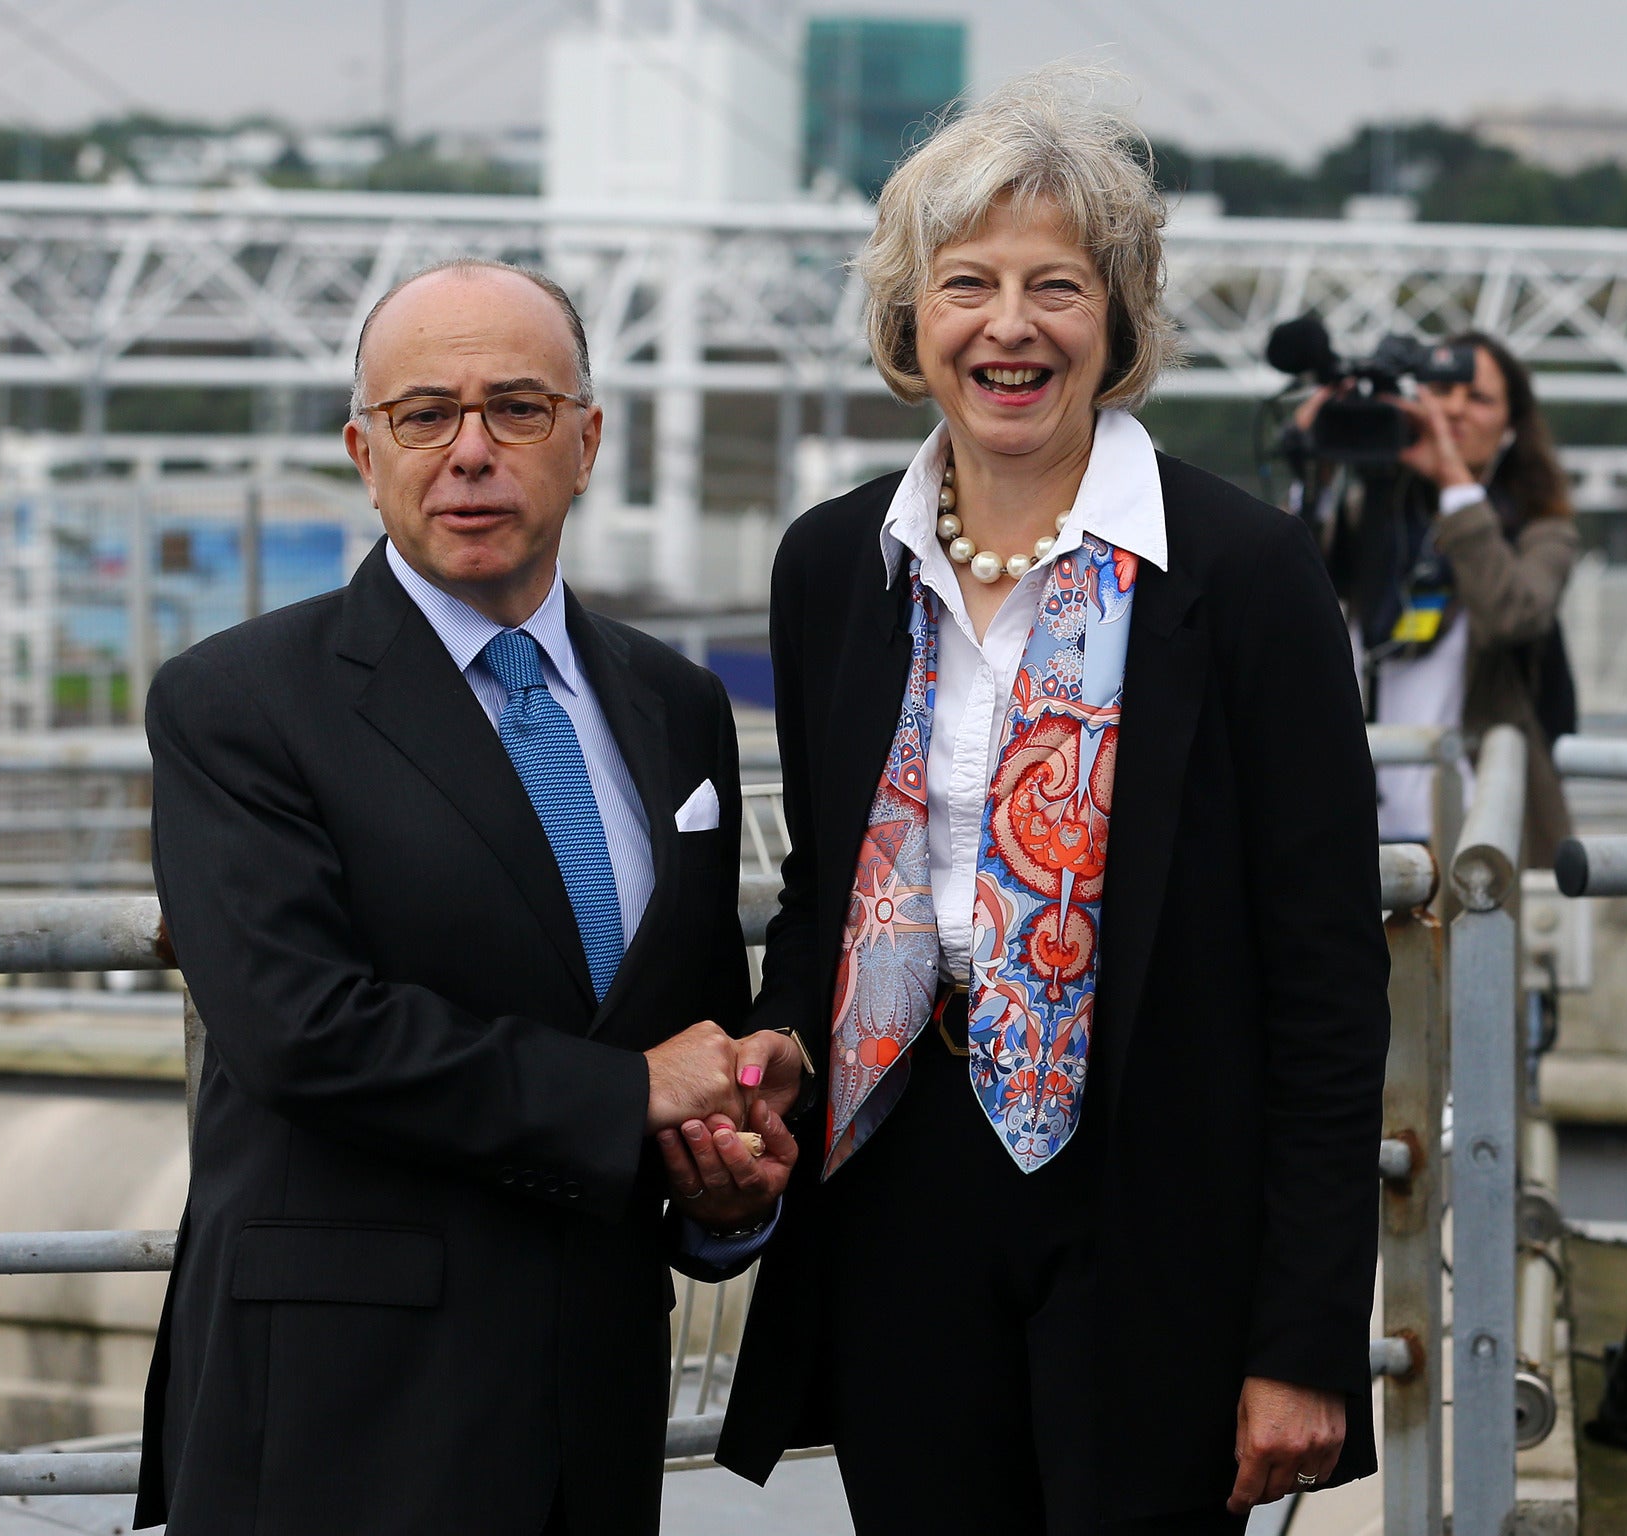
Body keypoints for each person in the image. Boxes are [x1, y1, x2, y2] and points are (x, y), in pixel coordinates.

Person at [705, 71, 1392, 1535]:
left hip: (1156, 1207)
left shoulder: (1247, 574)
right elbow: (828, 893)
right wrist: (770, 1046)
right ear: (911, 320)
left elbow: (1329, 977)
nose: (1007, 327)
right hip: (900, 1182)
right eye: (965, 285)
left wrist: (1304, 1337)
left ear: (1118, 318)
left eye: (1055, 287)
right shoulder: (836, 565)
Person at [133, 257, 800, 1536]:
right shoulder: (239, 702)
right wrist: (631, 1096)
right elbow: (297, 1027)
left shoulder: (677, 708)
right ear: (362, 450)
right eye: (425, 414)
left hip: (596, 1405)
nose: (471, 451)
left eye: (519, 409)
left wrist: (715, 1185)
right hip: (344, 1409)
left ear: (589, 439)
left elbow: (685, 1025)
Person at [1294, 332, 1582, 866]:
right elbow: (1286, 607)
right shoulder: (1373, 515)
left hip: (1475, 832)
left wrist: (1453, 480)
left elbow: (1510, 615)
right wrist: (1317, 469)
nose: (1453, 409)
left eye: (1479, 399)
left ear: (1512, 428)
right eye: (1440, 390)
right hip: (1360, 827)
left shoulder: (1541, 533)